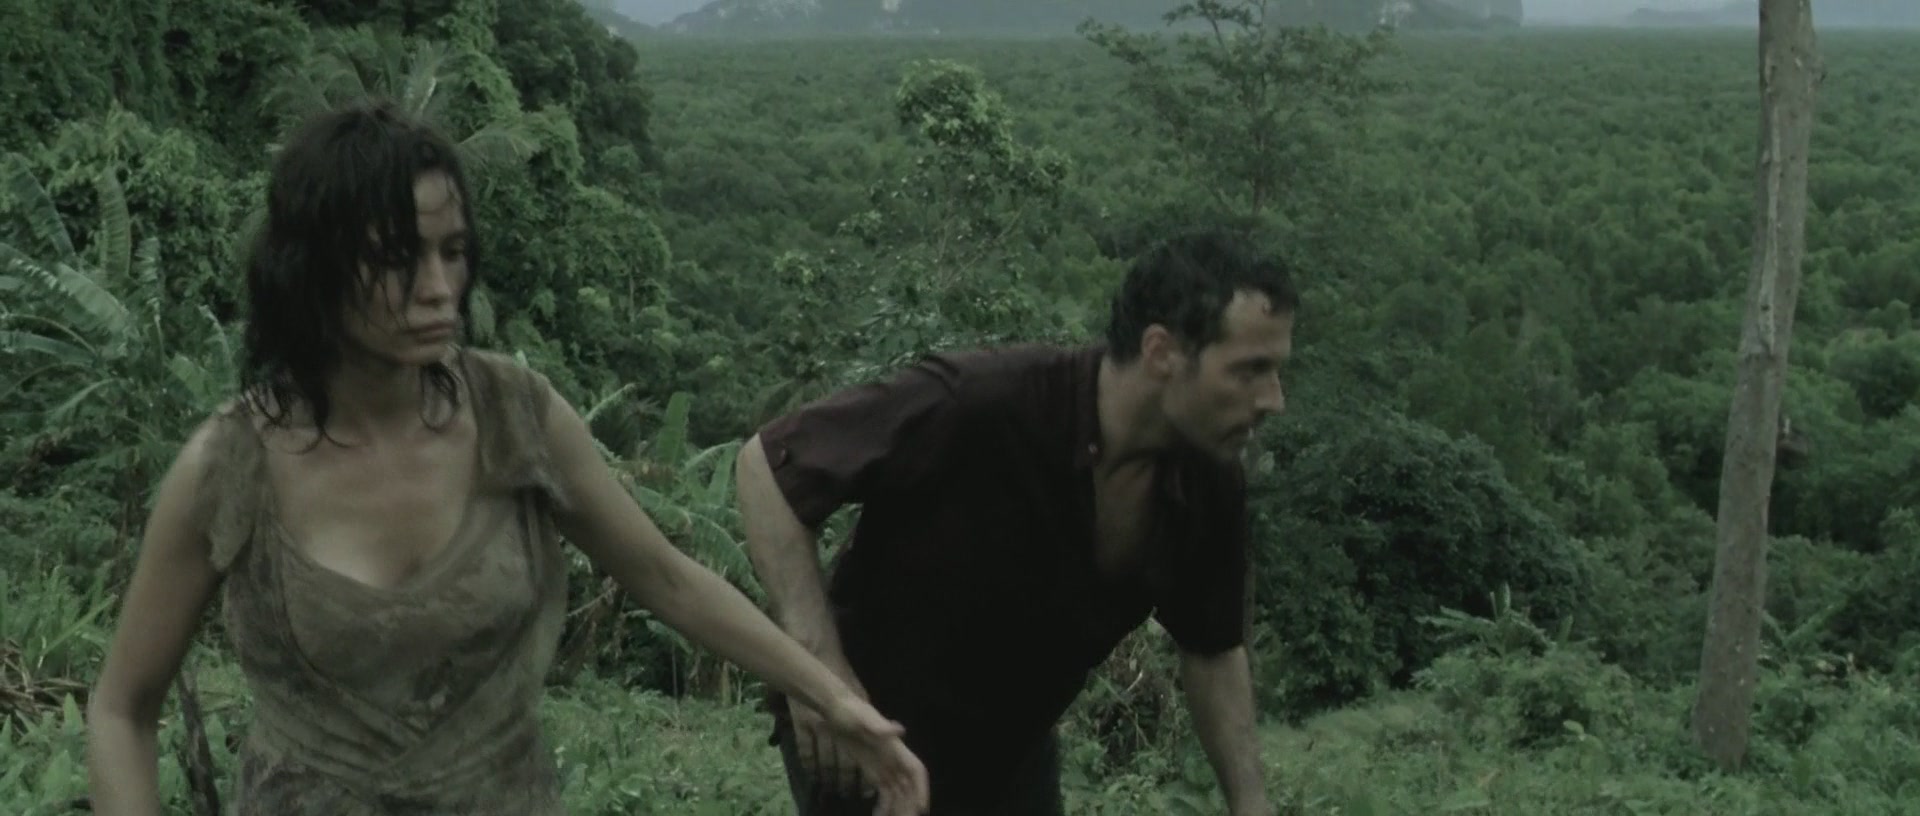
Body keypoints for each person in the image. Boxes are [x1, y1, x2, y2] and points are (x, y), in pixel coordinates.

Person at [82, 99, 929, 816]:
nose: (438, 288)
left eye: (452, 252)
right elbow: (122, 708)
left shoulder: (516, 417)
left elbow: (666, 577)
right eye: (397, 258)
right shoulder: (230, 466)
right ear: (313, 267)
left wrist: (831, 697)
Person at [734, 231, 1293, 815]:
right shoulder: (983, 403)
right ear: (1161, 353)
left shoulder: (1207, 477)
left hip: (1012, 751)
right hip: (869, 735)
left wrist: (1252, 805)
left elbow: (1212, 649)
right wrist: (820, 670)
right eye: (1250, 370)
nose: (1273, 399)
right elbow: (766, 468)